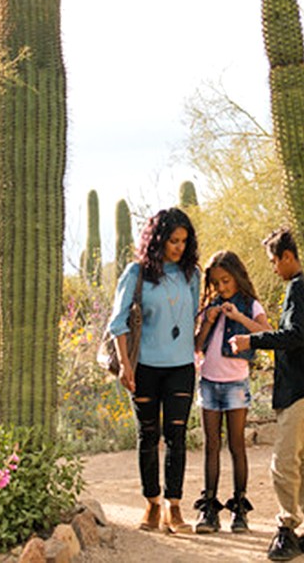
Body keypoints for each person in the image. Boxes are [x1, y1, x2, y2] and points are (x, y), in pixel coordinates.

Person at [230, 227, 304, 562]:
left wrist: (252, 341)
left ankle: (286, 529)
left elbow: (295, 335)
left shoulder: (299, 286)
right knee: (300, 460)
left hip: (301, 388)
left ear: (288, 257)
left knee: (282, 463)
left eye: (275, 261)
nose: (274, 268)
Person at [107, 206, 201, 534]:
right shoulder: (136, 274)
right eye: (173, 240)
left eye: (184, 241)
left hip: (181, 369)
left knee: (176, 436)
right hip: (144, 368)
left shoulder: (192, 274)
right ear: (158, 239)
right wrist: (125, 366)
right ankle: (152, 502)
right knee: (148, 436)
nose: (179, 247)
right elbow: (117, 323)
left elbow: (192, 320)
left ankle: (174, 508)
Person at [191, 250, 271, 534]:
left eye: (226, 281)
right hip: (209, 383)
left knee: (237, 446)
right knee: (211, 445)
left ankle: (239, 510)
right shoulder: (211, 305)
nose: (222, 288)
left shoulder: (251, 304)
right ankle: (209, 510)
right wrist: (210, 320)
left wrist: (238, 315)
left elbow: (266, 332)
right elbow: (197, 346)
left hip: (236, 384)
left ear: (237, 277)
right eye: (217, 283)